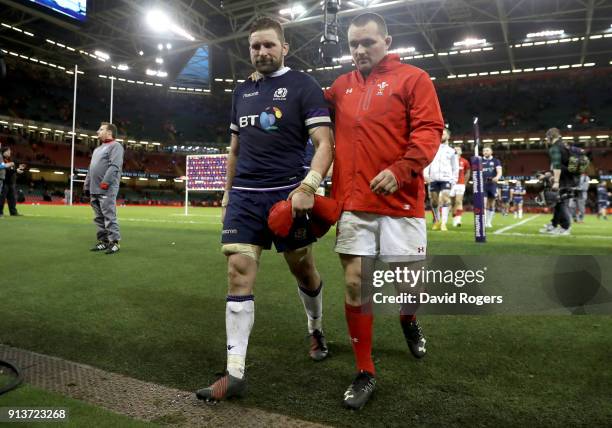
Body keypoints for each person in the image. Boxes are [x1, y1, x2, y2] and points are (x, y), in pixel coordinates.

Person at [195, 17, 334, 402]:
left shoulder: (303, 86)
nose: (262, 52)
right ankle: (235, 372)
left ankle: (316, 326)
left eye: (269, 45)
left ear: (284, 47)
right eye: (255, 46)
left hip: (287, 197)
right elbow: (235, 150)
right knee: (238, 271)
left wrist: (309, 185)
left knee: (302, 269)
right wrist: (226, 196)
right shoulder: (241, 91)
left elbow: (325, 142)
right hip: (244, 195)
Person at [324, 12, 443, 410]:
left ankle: (408, 319)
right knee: (357, 282)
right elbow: (311, 120)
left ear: (387, 41)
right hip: (354, 202)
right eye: (353, 44)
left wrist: (401, 169)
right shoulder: (339, 87)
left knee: (408, 286)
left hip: (401, 202)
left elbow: (429, 130)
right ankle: (365, 370)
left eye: (367, 43)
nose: (359, 50)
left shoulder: (414, 79)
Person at [84, 122, 124, 254]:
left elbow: (114, 166)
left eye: (101, 129)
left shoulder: (116, 146)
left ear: (109, 133)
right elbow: (91, 168)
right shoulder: (97, 149)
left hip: (106, 188)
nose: (97, 131)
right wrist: (86, 184)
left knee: (109, 216)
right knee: (98, 218)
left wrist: (105, 182)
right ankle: (104, 241)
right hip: (94, 189)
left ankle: (115, 242)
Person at [539, 128, 577, 235]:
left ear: (550, 137)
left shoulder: (555, 148)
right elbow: (564, 164)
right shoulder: (564, 145)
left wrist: (555, 181)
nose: (546, 140)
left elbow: (557, 165)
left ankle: (565, 227)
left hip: (563, 179)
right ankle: (554, 224)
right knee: (558, 202)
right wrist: (548, 175)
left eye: (547, 137)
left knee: (560, 202)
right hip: (569, 177)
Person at [423, 128, 458, 231]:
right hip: (433, 178)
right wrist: (425, 175)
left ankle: (443, 223)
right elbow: (427, 162)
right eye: (440, 134)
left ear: (448, 136)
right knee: (434, 201)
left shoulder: (452, 151)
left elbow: (455, 167)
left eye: (444, 134)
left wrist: (454, 180)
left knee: (444, 199)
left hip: (446, 178)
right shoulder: (432, 148)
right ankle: (437, 221)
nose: (442, 135)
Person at [0, 146, 25, 217]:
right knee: (2, 198)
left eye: (9, 151)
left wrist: (18, 169)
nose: (9, 152)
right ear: (3, 152)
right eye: (8, 151)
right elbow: (6, 170)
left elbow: (11, 170)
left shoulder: (9, 160)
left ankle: (13, 212)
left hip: (11, 183)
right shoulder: (2, 160)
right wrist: (16, 170)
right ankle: (0, 212)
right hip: (4, 182)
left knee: (12, 199)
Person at [481, 145, 502, 228]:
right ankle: (483, 222)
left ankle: (488, 222)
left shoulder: (496, 161)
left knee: (491, 204)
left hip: (492, 185)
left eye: (487, 150)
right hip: (483, 185)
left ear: (491, 152)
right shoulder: (480, 161)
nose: (485, 152)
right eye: (484, 151)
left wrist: (497, 177)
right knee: (483, 203)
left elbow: (499, 171)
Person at [450, 146, 470, 227]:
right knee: (452, 203)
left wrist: (464, 183)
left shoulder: (464, 161)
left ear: (461, 152)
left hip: (460, 184)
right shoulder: (449, 160)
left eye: (458, 149)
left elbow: (468, 172)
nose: (456, 150)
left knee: (459, 201)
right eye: (455, 149)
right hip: (451, 183)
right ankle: (454, 217)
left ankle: (458, 220)